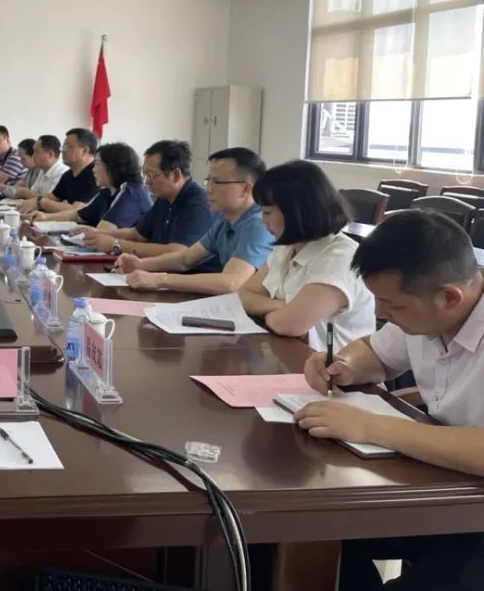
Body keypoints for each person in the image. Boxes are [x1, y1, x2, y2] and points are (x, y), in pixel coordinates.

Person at [296, 211, 484, 590]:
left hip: (473, 517)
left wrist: (374, 427)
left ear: (449, 297)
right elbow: (377, 354)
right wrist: (343, 364)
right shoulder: (425, 312)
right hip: (445, 486)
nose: (381, 314)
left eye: (392, 305)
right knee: (315, 531)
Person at [238, 161, 375, 350]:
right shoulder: (287, 248)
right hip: (292, 353)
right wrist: (283, 306)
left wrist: (274, 310)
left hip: (335, 365)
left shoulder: (340, 257)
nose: (263, 220)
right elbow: (243, 296)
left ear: (296, 212)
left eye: (267, 212)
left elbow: (286, 325)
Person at [113, 147, 274, 295]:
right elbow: (186, 259)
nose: (208, 189)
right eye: (208, 181)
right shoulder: (225, 219)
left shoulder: (260, 223)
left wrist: (160, 279)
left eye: (216, 182)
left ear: (245, 189)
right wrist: (142, 264)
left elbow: (230, 282)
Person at [81, 140, 213, 256]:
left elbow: (178, 251)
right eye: (144, 175)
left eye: (151, 175)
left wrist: (116, 244)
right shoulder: (164, 198)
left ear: (176, 175)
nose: (147, 182)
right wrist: (97, 233)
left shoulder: (198, 202)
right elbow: (137, 234)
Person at [31, 143, 152, 230]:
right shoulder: (108, 191)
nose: (93, 169)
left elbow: (104, 230)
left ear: (114, 167)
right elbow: (78, 215)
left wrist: (87, 231)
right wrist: (45, 217)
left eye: (97, 164)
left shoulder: (130, 191)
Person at [19, 128, 98, 215]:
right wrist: (34, 202)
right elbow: (53, 198)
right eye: (63, 147)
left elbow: (77, 210)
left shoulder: (95, 174)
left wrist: (40, 202)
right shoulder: (68, 174)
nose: (62, 151)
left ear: (84, 150)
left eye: (67, 147)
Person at [0, 135, 68, 200]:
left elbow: (49, 200)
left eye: (36, 152)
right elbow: (33, 194)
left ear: (50, 155)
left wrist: (24, 192)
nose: (33, 156)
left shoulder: (62, 173)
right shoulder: (43, 171)